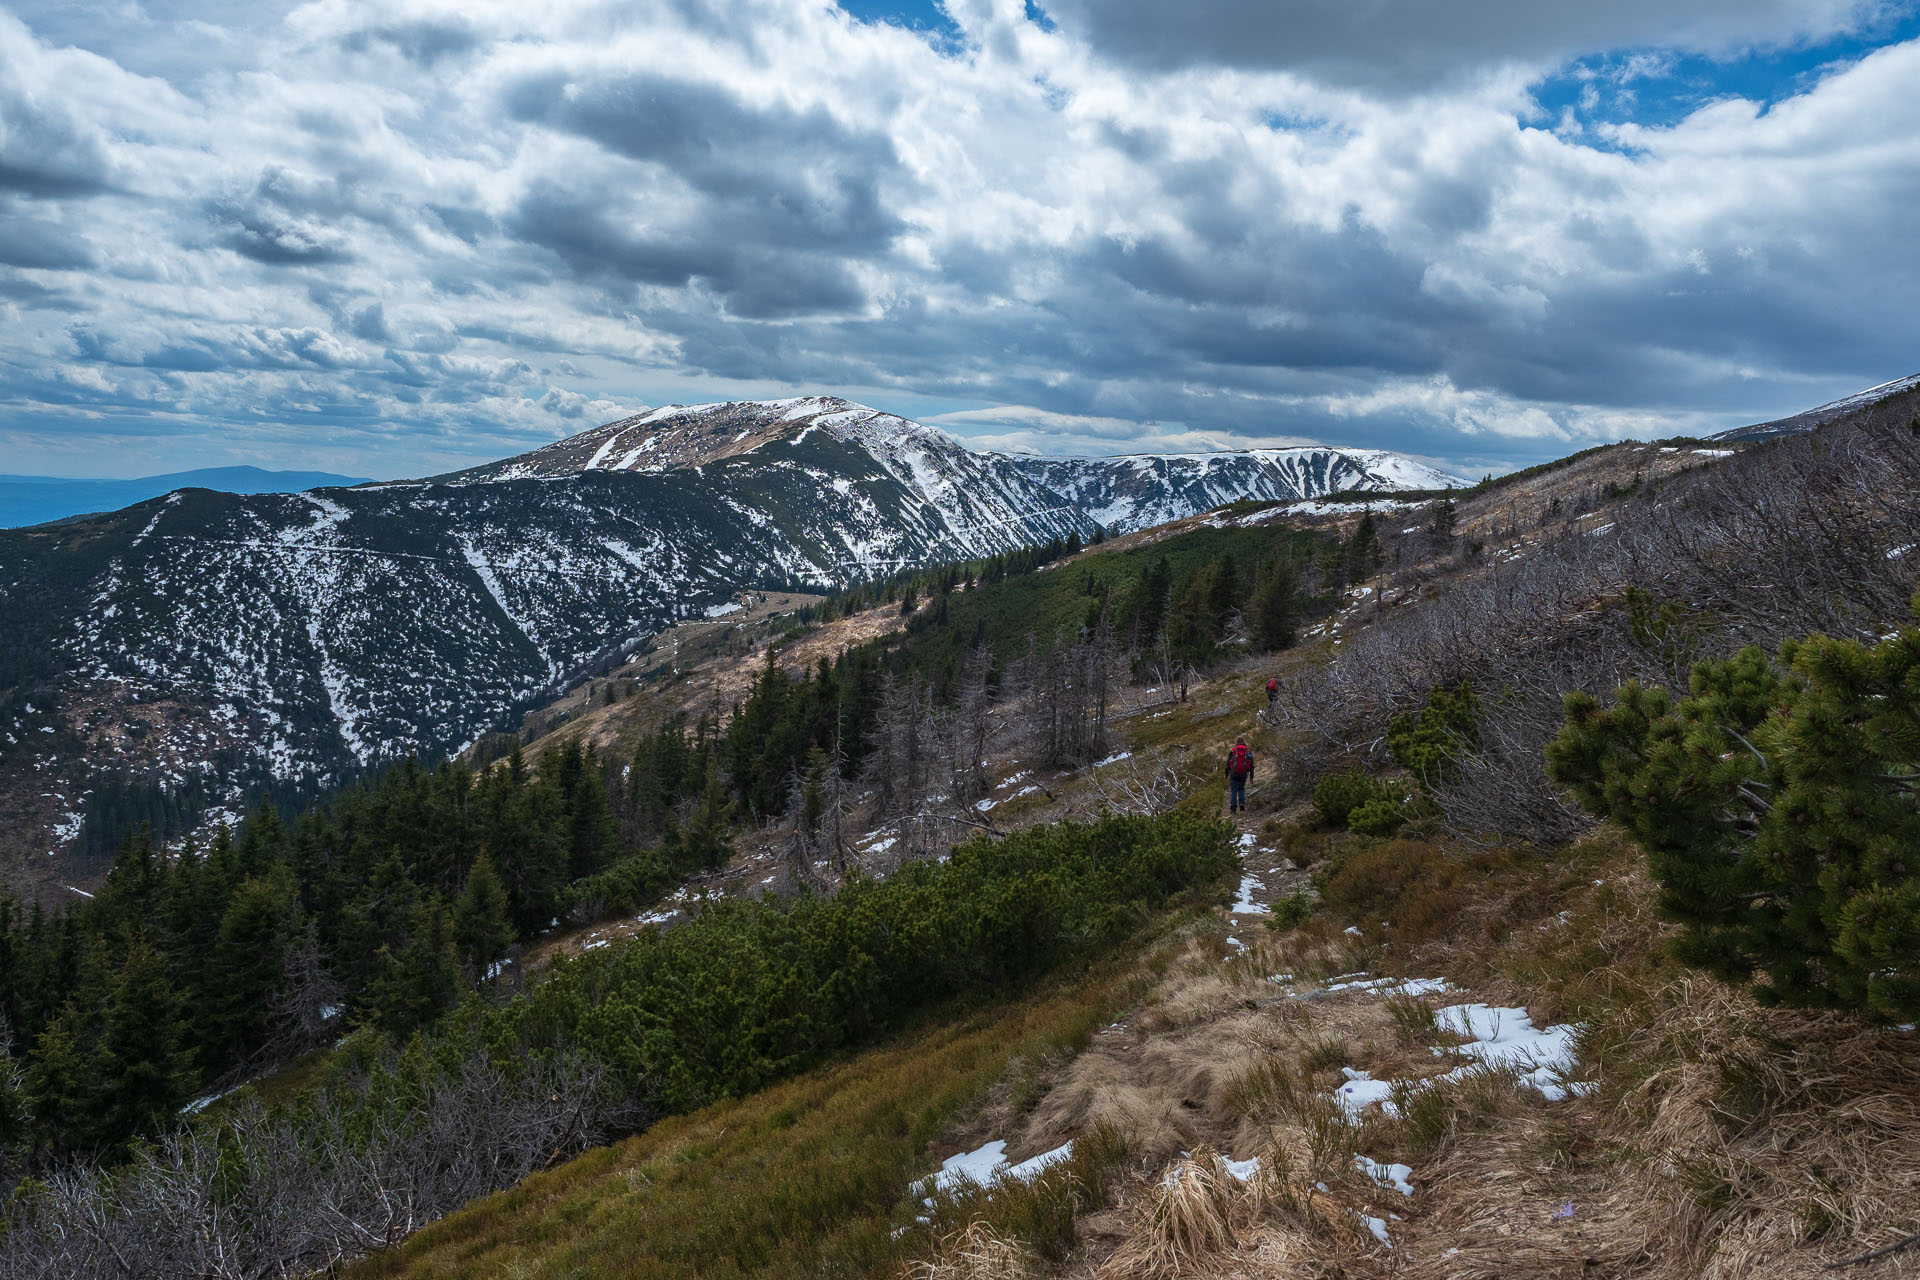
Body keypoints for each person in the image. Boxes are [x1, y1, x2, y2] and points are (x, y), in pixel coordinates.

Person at [1225, 736, 1254, 813]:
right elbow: (1251, 766)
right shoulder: (1248, 752)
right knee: (1241, 789)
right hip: (1243, 774)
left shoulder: (1233, 751)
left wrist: (1226, 775)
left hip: (1234, 774)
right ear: (1243, 741)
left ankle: (1233, 809)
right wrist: (1251, 778)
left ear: (1236, 742)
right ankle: (1241, 803)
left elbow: (1228, 764)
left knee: (1234, 791)